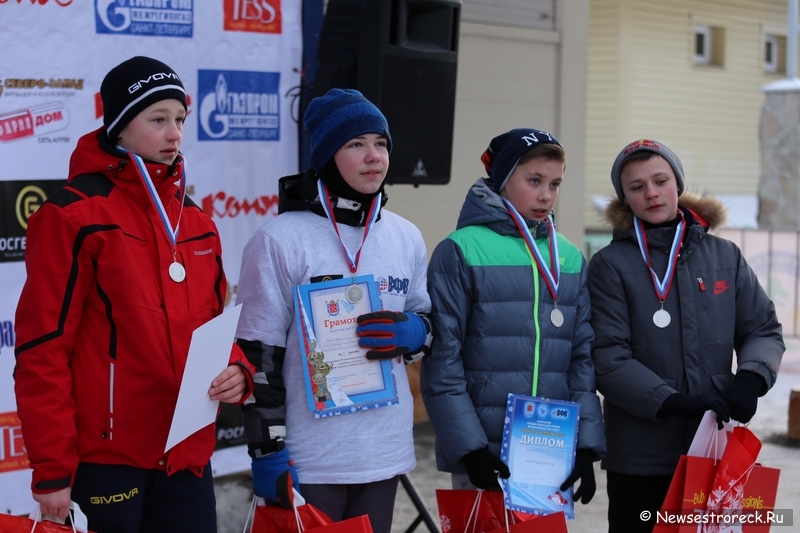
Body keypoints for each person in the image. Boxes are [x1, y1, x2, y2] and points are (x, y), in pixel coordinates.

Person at [13, 56, 254, 533]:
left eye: (180, 120)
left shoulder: (198, 224)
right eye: (158, 120)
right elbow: (43, 349)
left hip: (186, 457)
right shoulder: (73, 216)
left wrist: (237, 370)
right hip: (108, 460)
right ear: (120, 127)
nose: (174, 134)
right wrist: (52, 469)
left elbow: (208, 328)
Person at [234, 88, 432, 533]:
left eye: (380, 143)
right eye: (355, 144)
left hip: (383, 451)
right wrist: (268, 451)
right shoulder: (280, 239)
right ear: (326, 155)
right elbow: (257, 358)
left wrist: (417, 333)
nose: (373, 156)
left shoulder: (405, 236)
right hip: (314, 456)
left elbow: (431, 323)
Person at [587, 139, 784, 533]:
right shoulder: (609, 265)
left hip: (715, 443)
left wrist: (750, 378)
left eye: (660, 180)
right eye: (637, 187)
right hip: (641, 455)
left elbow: (761, 328)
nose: (652, 193)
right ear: (624, 198)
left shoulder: (724, 256)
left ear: (678, 183)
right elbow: (606, 356)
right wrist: (672, 401)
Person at [421, 128, 605, 504]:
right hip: (484, 452)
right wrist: (469, 449)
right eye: (534, 180)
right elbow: (443, 358)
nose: (545, 195)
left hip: (548, 451)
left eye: (555, 184)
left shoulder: (567, 257)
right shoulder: (461, 250)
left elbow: (581, 358)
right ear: (503, 179)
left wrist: (585, 444)